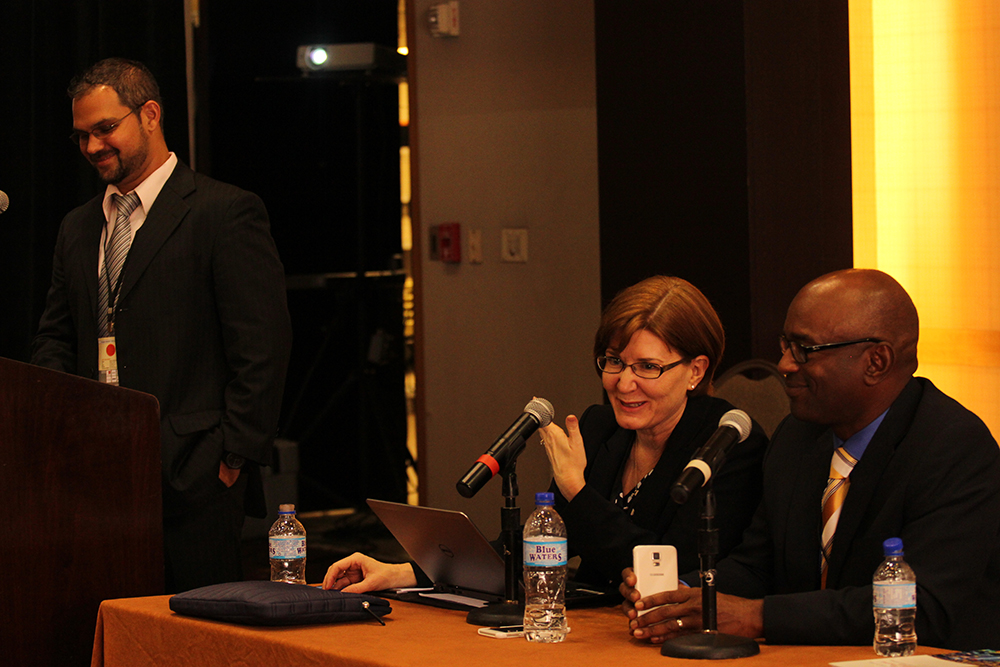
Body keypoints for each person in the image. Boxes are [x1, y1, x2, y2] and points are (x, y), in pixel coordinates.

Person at [622, 269, 1000, 649]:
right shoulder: (797, 437)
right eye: (786, 345)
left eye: (804, 349)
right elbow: (758, 566)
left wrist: (758, 617)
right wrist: (678, 595)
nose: (785, 364)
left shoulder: (954, 447)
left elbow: (921, 606)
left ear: (876, 362)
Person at [323, 276, 767, 593]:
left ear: (696, 371)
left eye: (648, 367)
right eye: (614, 361)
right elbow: (537, 546)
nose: (624, 382)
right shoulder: (599, 427)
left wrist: (577, 491)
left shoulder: (726, 444)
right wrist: (403, 572)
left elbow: (671, 570)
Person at [31, 58, 293, 593]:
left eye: (106, 128)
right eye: (82, 135)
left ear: (150, 115)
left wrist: (231, 456)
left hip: (193, 475)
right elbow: (57, 335)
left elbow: (262, 347)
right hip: (93, 477)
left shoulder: (224, 211)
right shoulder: (78, 227)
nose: (93, 146)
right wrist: (56, 425)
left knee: (193, 626)